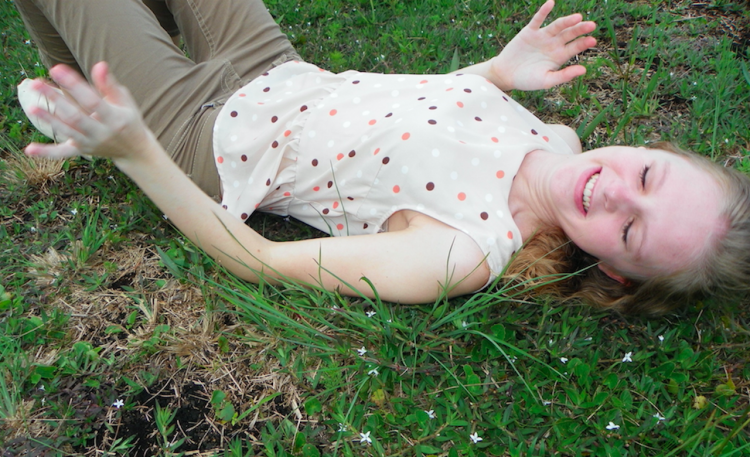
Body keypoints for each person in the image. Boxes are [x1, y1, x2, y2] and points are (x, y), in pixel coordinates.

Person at [15, 0, 750, 315]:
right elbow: (424, 115)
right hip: (272, 65)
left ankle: (94, 123)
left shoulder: (463, 251)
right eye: (648, 177)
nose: (617, 195)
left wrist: (136, 151)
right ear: (652, 150)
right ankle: (71, 95)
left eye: (630, 231)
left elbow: (257, 262)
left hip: (204, 137)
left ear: (613, 268)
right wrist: (493, 73)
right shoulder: (559, 141)